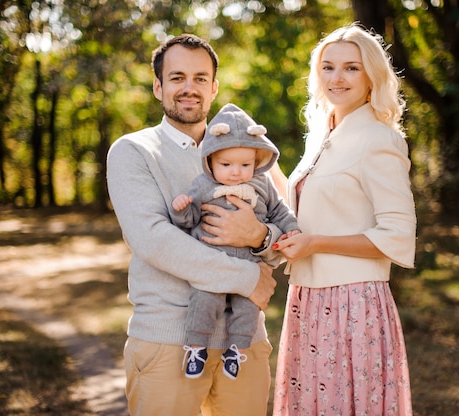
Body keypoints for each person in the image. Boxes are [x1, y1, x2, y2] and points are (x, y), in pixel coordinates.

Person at [106, 34, 282, 416]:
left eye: (201, 78)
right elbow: (152, 240)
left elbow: (282, 233)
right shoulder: (133, 150)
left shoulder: (247, 156)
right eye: (177, 77)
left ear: (214, 87)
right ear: (158, 86)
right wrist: (247, 278)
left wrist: (259, 236)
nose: (189, 88)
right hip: (168, 340)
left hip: (245, 341)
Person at [272, 23, 417, 415]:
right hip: (307, 298)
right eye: (328, 67)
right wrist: (264, 161)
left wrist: (316, 243)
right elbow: (309, 207)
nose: (337, 78)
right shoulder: (322, 135)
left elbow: (398, 234)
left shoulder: (380, 139)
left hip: (353, 304)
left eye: (351, 68)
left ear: (372, 77)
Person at [170, 102, 300, 381]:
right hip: (212, 266)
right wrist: (181, 208)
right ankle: (196, 347)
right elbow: (189, 220)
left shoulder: (262, 184)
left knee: (248, 310)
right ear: (210, 161)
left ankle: (236, 350)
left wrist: (292, 230)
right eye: (226, 164)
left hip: (249, 264)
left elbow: (280, 212)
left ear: (257, 161)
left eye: (245, 164)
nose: (236, 172)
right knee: (203, 303)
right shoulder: (203, 185)